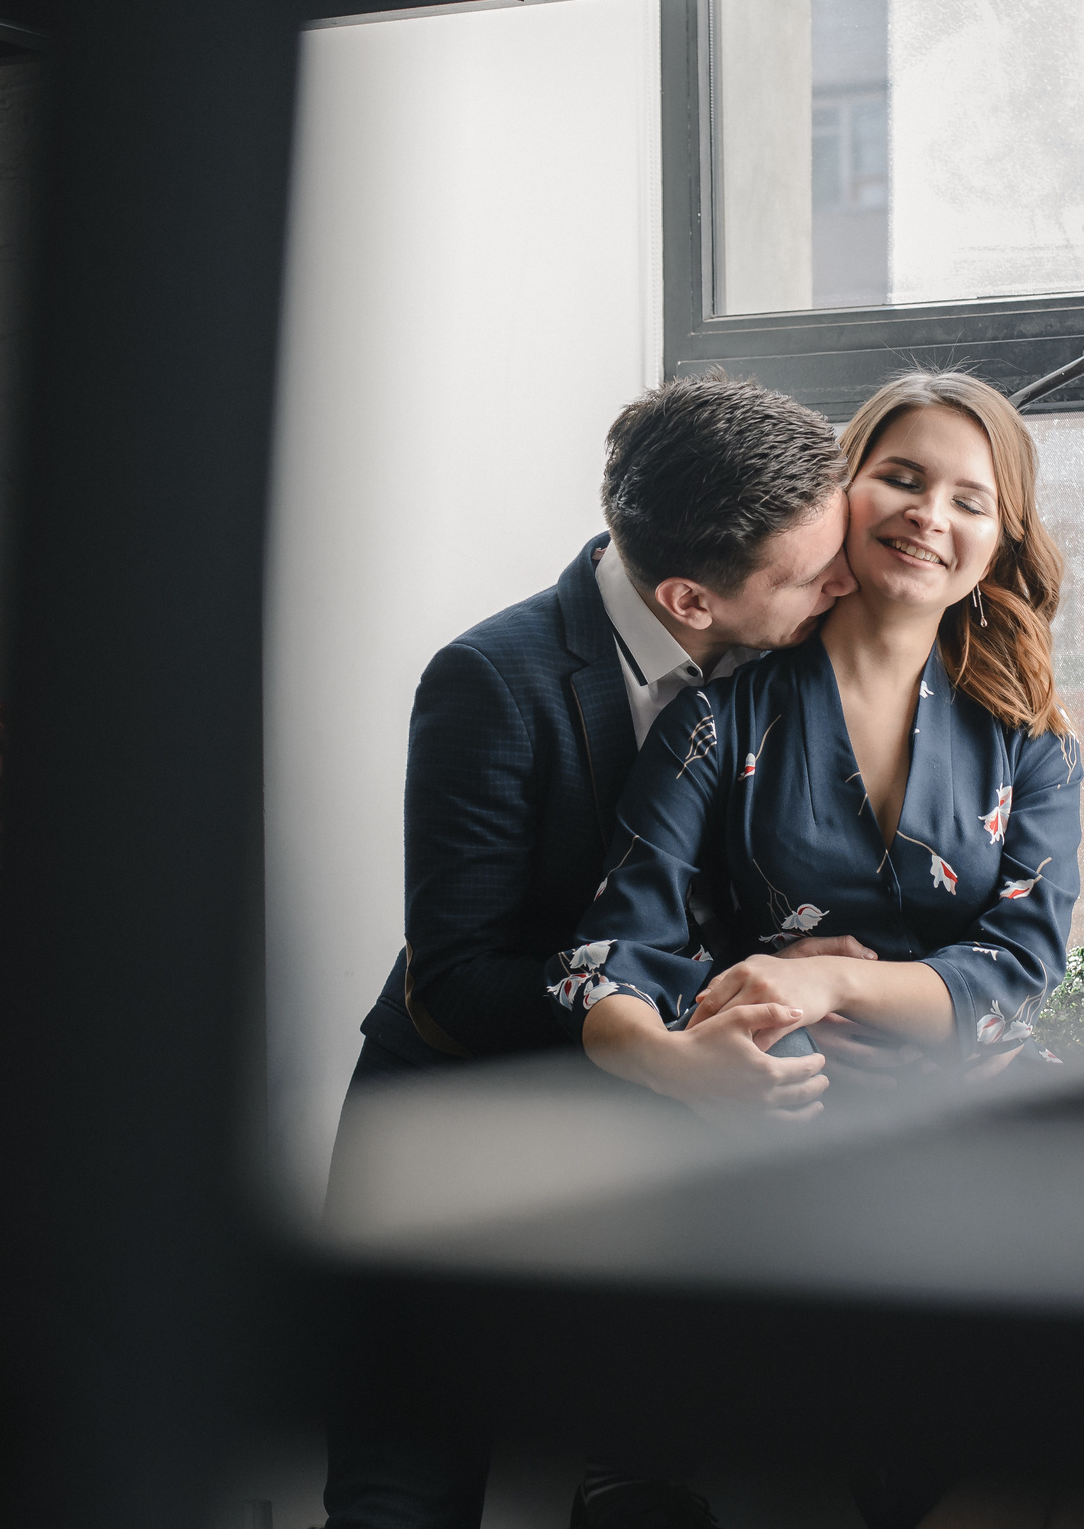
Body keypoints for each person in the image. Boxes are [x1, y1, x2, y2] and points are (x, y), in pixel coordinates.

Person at [325, 373, 868, 1529]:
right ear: (689, 596)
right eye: (813, 570)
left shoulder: (803, 659)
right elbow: (456, 976)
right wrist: (669, 1033)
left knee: (645, 1484)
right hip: (454, 1117)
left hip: (669, 1153)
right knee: (400, 1489)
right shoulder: (491, 680)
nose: (846, 580)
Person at [556, 367, 1083, 1122]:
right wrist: (684, 1059)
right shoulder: (712, 723)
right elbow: (614, 959)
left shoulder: (1033, 738)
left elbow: (1025, 970)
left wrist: (829, 983)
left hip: (990, 1117)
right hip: (787, 1112)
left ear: (998, 547)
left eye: (971, 502)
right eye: (902, 479)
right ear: (841, 492)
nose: (929, 515)